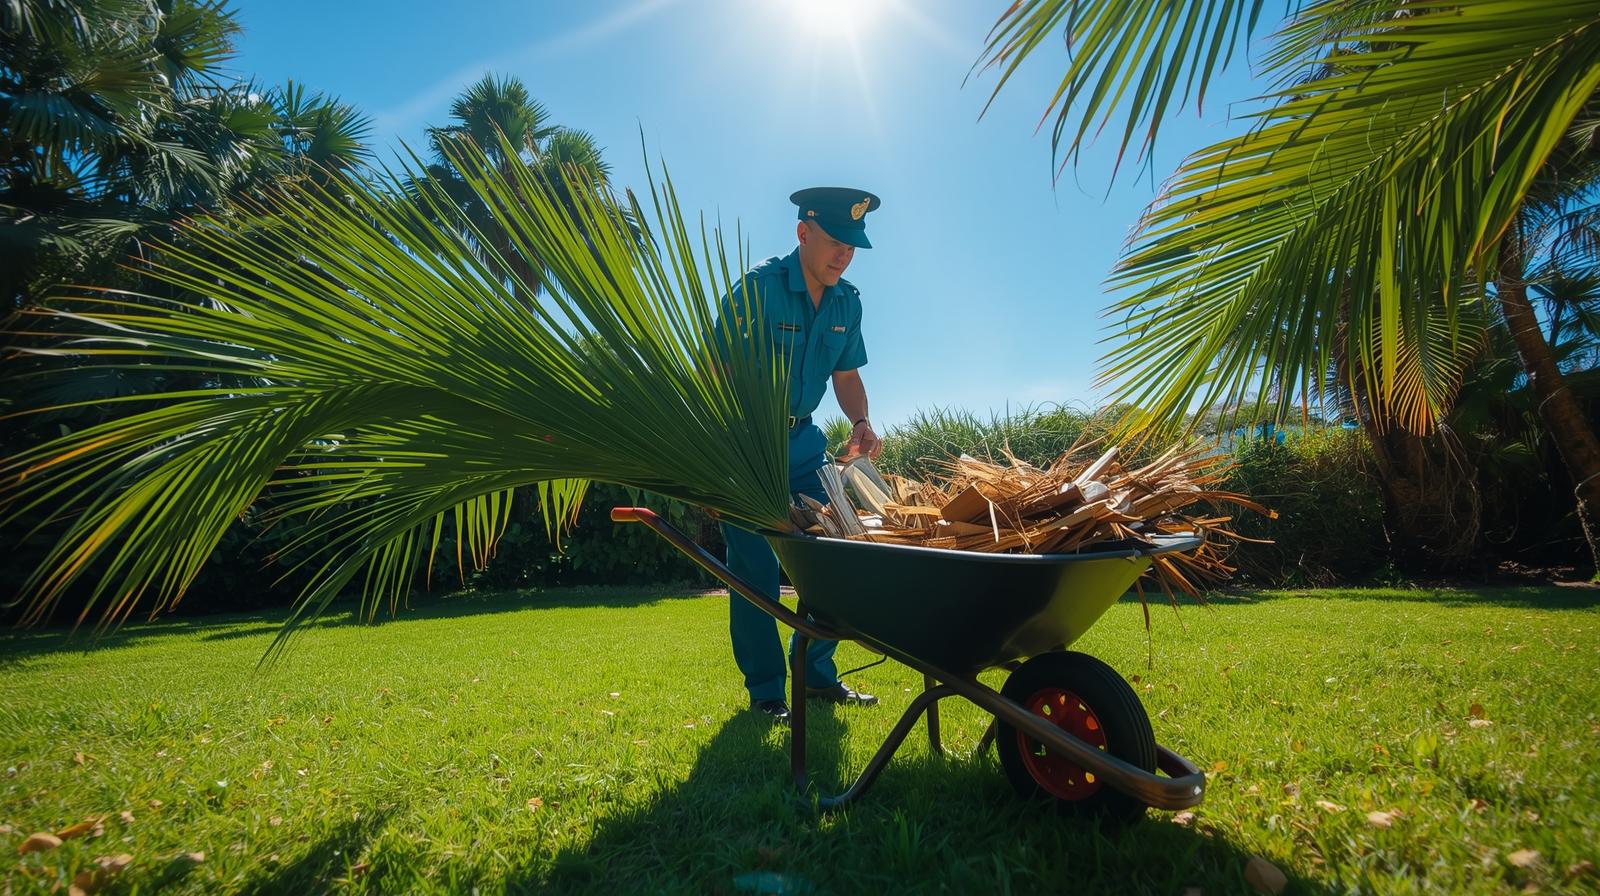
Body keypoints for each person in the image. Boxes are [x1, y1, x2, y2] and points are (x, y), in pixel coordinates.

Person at [715, 187, 884, 723]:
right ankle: (766, 692)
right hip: (747, 445)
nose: (845, 255)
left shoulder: (847, 301)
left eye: (853, 246)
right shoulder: (756, 290)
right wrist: (720, 465)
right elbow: (715, 376)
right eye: (836, 242)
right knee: (756, 571)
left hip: (806, 443)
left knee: (839, 551)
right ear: (803, 233)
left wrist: (860, 422)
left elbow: (848, 376)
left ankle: (814, 675)